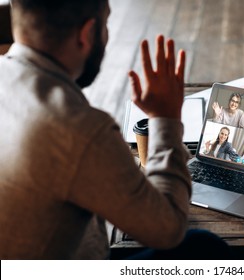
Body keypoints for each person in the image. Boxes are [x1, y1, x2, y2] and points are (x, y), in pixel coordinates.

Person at [0, 0, 230, 259]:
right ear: (87, 34)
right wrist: (165, 117)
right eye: (106, 23)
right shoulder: (80, 129)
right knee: (204, 246)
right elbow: (167, 229)